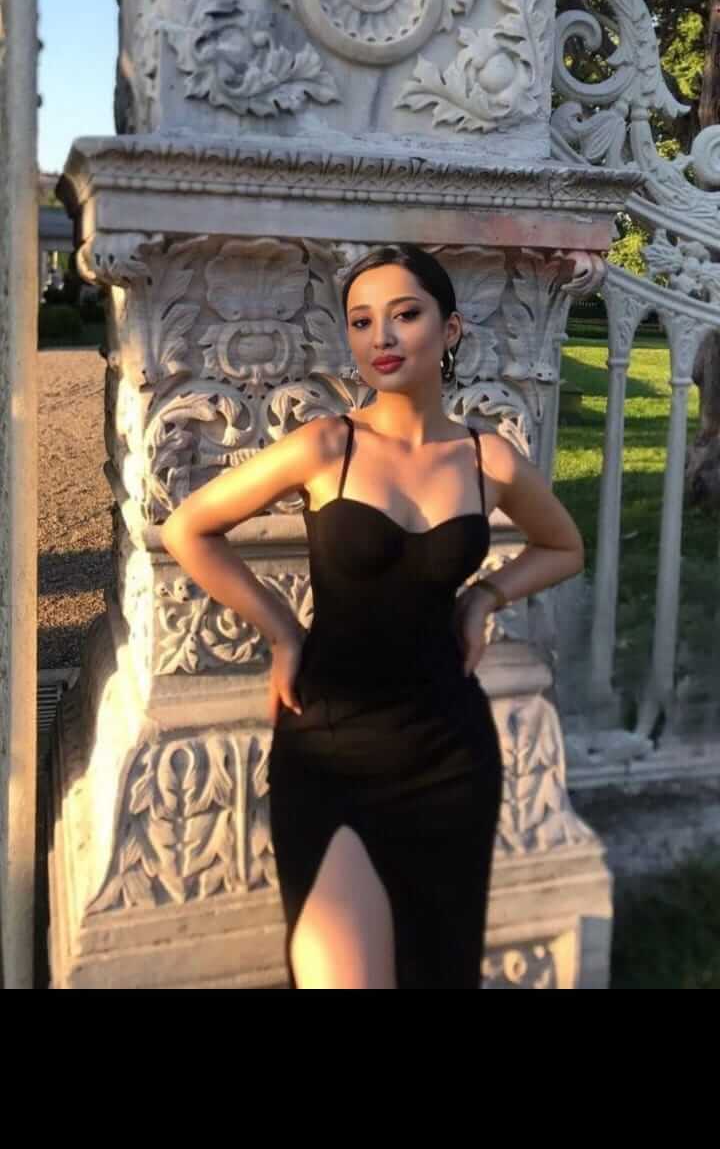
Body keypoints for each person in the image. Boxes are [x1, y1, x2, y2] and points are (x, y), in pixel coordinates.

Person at [161, 243, 584, 989]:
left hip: (449, 753)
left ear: (449, 330)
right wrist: (282, 630)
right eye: (361, 321)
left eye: (404, 315)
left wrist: (485, 596)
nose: (380, 337)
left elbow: (564, 546)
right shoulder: (328, 444)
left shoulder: (488, 458)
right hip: (331, 749)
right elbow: (187, 529)